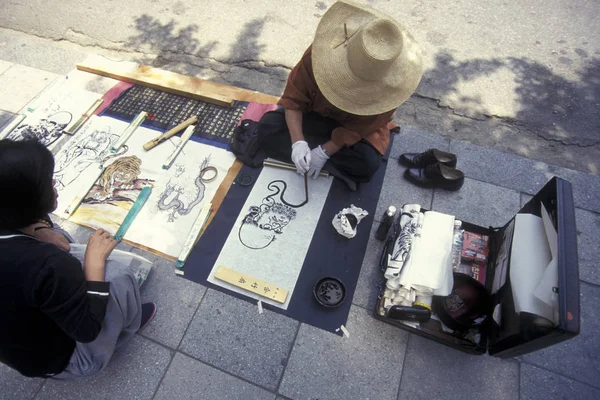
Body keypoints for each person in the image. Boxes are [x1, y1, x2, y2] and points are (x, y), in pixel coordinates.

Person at [0, 139, 156, 379]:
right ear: (28, 202)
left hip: (24, 342)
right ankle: (124, 328)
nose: (54, 183)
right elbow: (86, 329)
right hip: (62, 359)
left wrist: (40, 226)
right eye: (47, 183)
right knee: (116, 276)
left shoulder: (12, 223)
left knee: (56, 236)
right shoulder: (46, 264)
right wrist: (95, 263)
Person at [257, 0, 423, 187]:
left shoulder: (391, 91)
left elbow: (362, 128)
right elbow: (294, 100)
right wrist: (297, 142)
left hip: (352, 129)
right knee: (268, 127)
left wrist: (324, 151)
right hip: (315, 115)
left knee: (367, 164)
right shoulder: (318, 56)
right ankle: (306, 154)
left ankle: (316, 156)